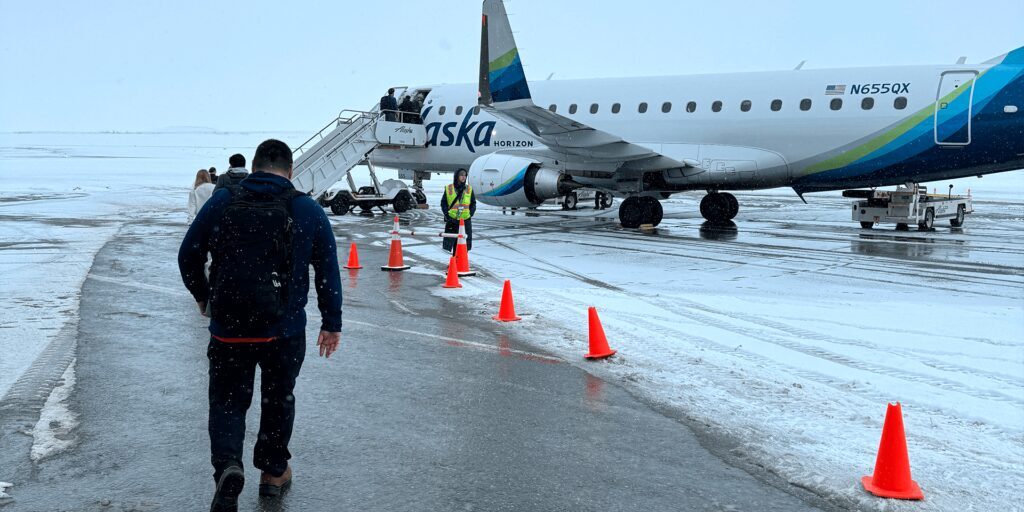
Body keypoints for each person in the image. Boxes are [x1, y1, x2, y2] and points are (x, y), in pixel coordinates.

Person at [178, 139, 342, 512]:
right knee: (277, 399)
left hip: (228, 328)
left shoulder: (222, 201)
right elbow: (328, 272)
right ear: (291, 170)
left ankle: (228, 467)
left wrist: (204, 297)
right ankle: (272, 473)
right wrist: (332, 322)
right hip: (282, 331)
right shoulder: (308, 210)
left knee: (227, 402)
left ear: (253, 168)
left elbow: (188, 253)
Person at [441, 168, 476, 253]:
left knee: (464, 243)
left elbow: (473, 203)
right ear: (457, 176)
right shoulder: (449, 188)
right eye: (461, 175)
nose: (463, 177)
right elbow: (443, 203)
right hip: (452, 219)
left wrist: (470, 214)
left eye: (465, 175)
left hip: (465, 220)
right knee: (453, 243)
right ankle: (454, 261)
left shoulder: (469, 189)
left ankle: (461, 262)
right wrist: (447, 215)